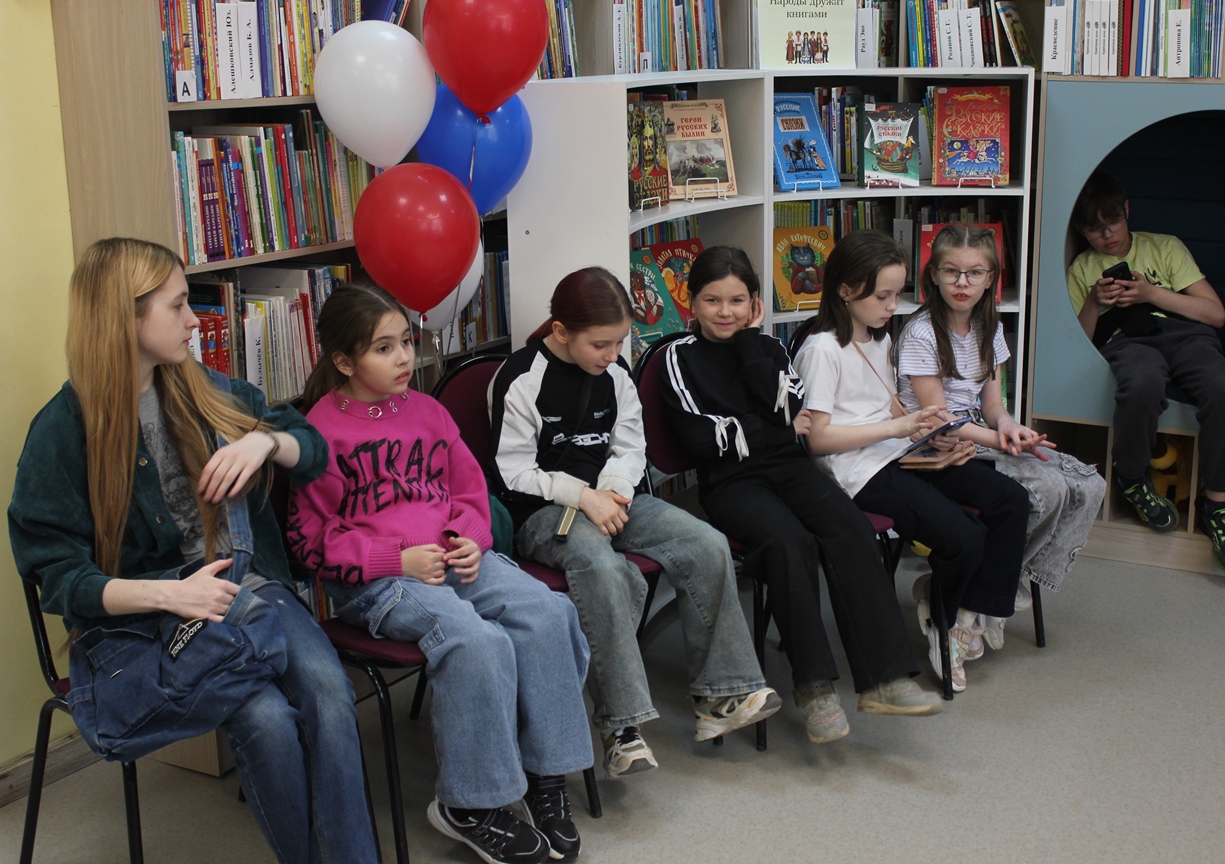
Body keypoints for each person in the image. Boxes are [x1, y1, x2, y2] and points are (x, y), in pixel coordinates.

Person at [7, 238, 378, 864]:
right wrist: (171, 594)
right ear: (125, 317)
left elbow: (311, 450)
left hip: (246, 590)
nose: (194, 321)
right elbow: (59, 577)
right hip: (150, 619)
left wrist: (264, 443)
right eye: (178, 305)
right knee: (265, 720)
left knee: (329, 693)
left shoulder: (206, 389)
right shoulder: (61, 433)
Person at [288, 283, 594, 864]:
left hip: (453, 558)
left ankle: (545, 774)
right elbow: (311, 543)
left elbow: (468, 492)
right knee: (475, 640)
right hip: (378, 582)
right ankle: (471, 804)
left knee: (547, 612)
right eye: (383, 348)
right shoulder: (318, 433)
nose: (403, 357)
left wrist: (471, 538)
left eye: (406, 342)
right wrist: (394, 560)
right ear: (344, 361)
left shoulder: (428, 411)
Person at [489, 267, 780, 778]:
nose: (611, 354)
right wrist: (585, 497)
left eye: (619, 342)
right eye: (599, 344)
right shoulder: (519, 379)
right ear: (560, 331)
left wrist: (612, 492)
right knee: (600, 567)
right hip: (542, 511)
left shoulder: (616, 374)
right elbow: (513, 472)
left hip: (612, 497)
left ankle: (723, 694)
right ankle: (622, 729)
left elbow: (629, 447)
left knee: (704, 542)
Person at [660, 245, 942, 745]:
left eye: (737, 301)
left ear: (754, 304)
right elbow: (704, 441)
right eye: (711, 301)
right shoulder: (676, 356)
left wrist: (750, 347)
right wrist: (775, 428)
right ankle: (814, 688)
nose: (725, 312)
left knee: (850, 527)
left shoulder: (767, 348)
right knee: (789, 542)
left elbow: (792, 412)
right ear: (691, 303)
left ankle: (886, 678)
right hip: (730, 482)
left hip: (789, 469)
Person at [794, 231, 1030, 691]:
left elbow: (890, 406)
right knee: (965, 537)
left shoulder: (878, 338)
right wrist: (900, 428)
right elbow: (817, 441)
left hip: (898, 452)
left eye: (895, 294)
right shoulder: (822, 350)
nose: (892, 306)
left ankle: (969, 611)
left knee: (1010, 500)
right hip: (857, 471)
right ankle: (943, 620)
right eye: (882, 296)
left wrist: (930, 432)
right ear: (845, 291)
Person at [897, 225, 1106, 646]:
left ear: (990, 278)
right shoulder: (921, 333)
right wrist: (1000, 441)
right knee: (1047, 488)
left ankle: (1000, 582)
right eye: (951, 271)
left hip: (978, 438)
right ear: (933, 275)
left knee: (1090, 485)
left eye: (975, 273)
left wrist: (1010, 426)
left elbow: (993, 405)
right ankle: (989, 592)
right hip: (938, 448)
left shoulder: (988, 327)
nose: (962, 283)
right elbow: (939, 420)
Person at [1068, 168, 1225, 572]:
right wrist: (1095, 301)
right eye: (1095, 229)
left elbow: (1215, 315)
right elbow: (1079, 343)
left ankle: (1217, 505)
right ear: (1081, 231)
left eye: (1113, 222)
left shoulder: (1164, 247)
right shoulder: (1082, 267)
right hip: (1127, 342)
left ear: (1127, 211)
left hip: (1186, 337)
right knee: (1141, 384)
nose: (1107, 235)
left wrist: (1150, 293)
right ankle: (1131, 479)